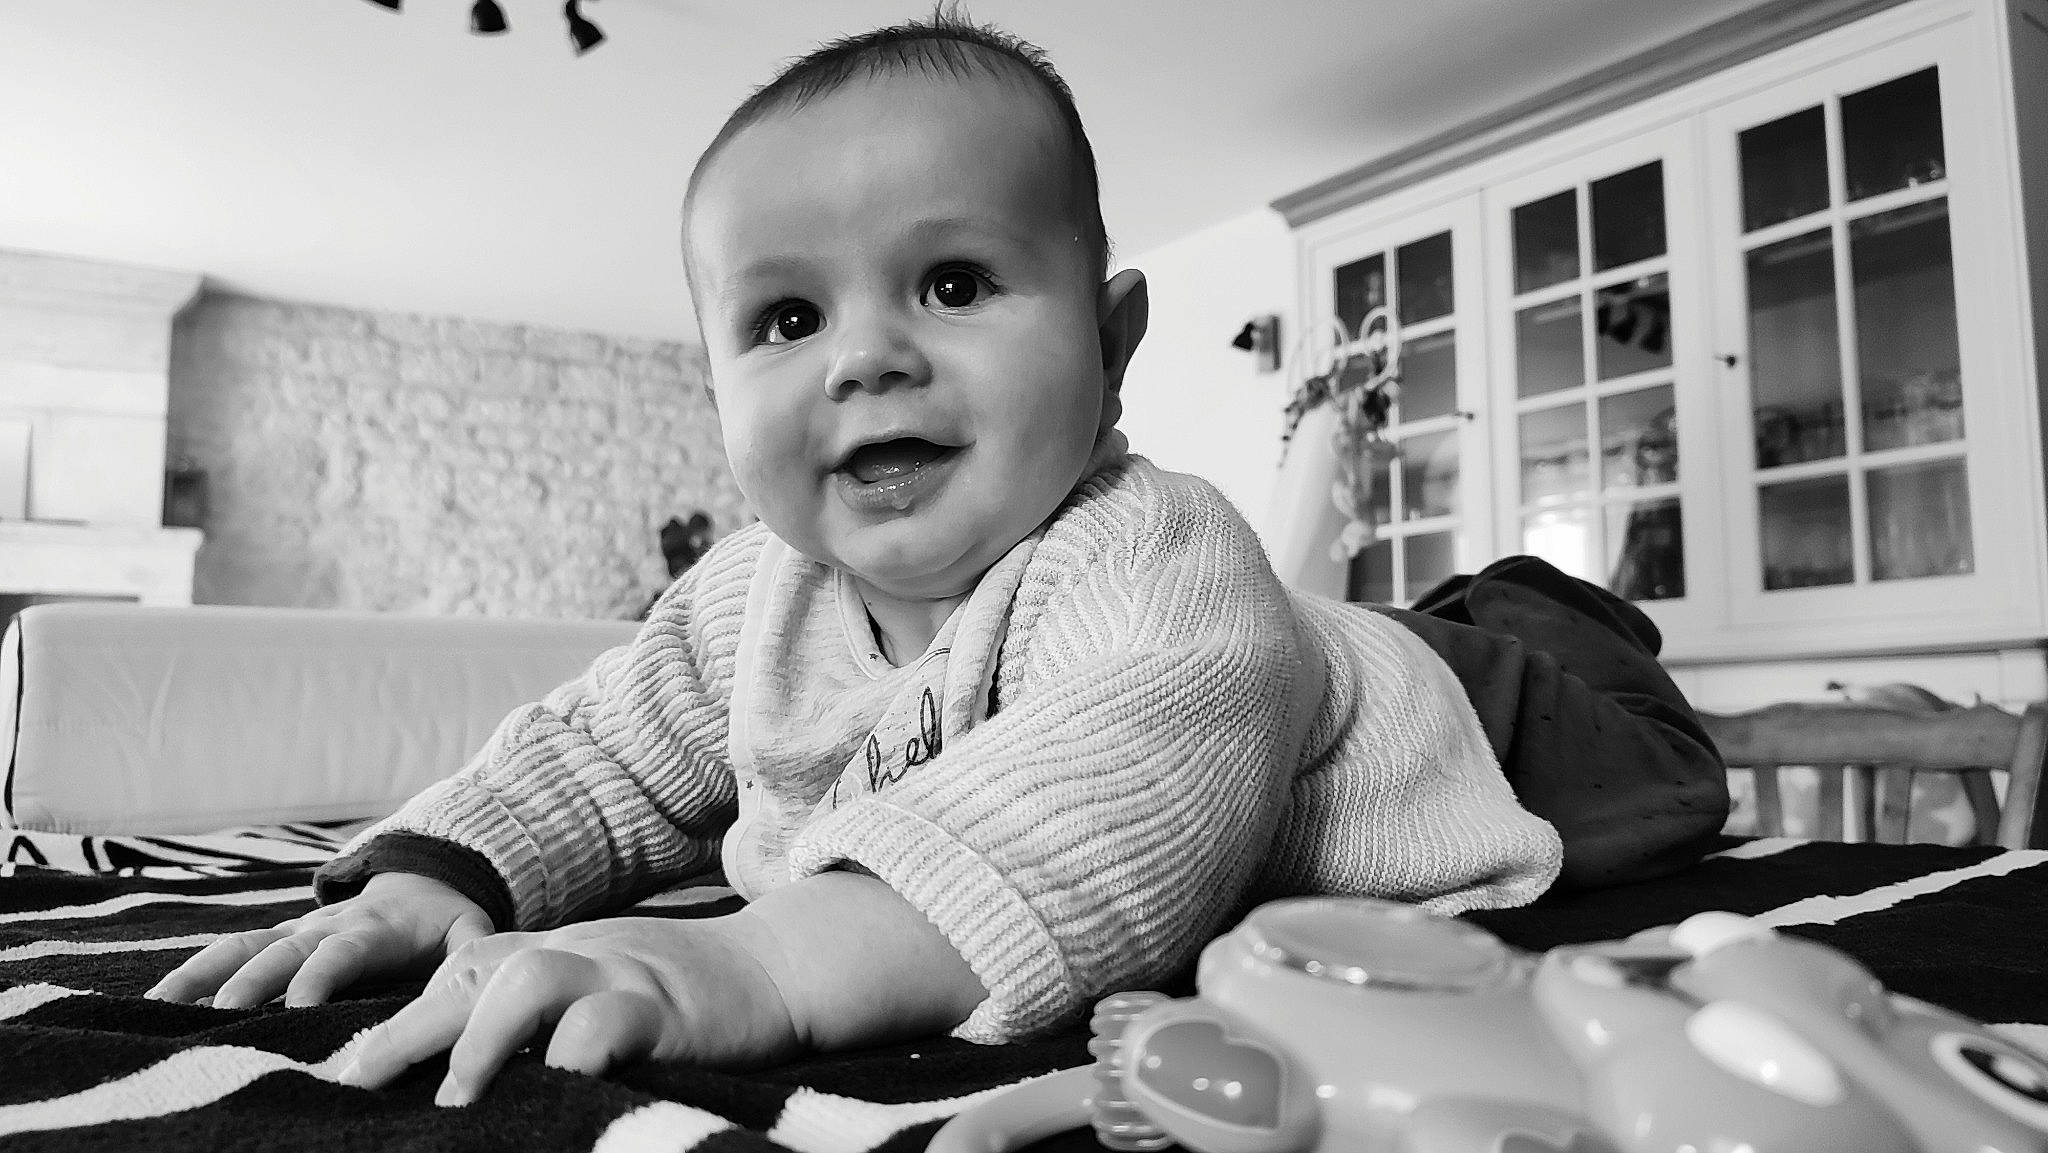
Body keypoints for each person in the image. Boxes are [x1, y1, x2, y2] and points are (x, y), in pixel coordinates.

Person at [147, 9, 1727, 1107]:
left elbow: (1109, 811)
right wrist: (437, 872)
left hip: (1475, 716)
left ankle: (1545, 601)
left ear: (1112, 349)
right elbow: (604, 757)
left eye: (956, 282)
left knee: (1635, 744)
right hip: (1308, 646)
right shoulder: (750, 604)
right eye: (785, 318)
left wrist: (763, 961)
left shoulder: (1149, 549)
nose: (866, 357)